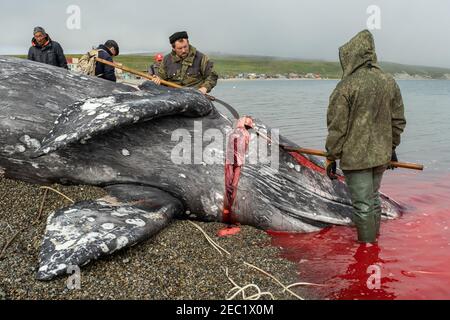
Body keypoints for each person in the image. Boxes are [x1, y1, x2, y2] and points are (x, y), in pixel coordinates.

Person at [325, 30, 406, 244]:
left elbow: (337, 129)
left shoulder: (346, 87)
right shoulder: (389, 82)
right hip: (381, 155)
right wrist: (391, 148)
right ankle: (374, 247)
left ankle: (367, 252)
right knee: (373, 199)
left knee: (362, 205)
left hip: (356, 158)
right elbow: (397, 121)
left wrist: (331, 156)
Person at [152, 31, 218, 94]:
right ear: (174, 48)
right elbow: (161, 78)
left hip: (195, 96)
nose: (183, 50)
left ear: (188, 43)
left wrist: (204, 88)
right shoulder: (166, 60)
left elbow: (212, 76)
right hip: (172, 96)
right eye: (180, 48)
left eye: (185, 46)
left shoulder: (201, 58)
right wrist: (158, 79)